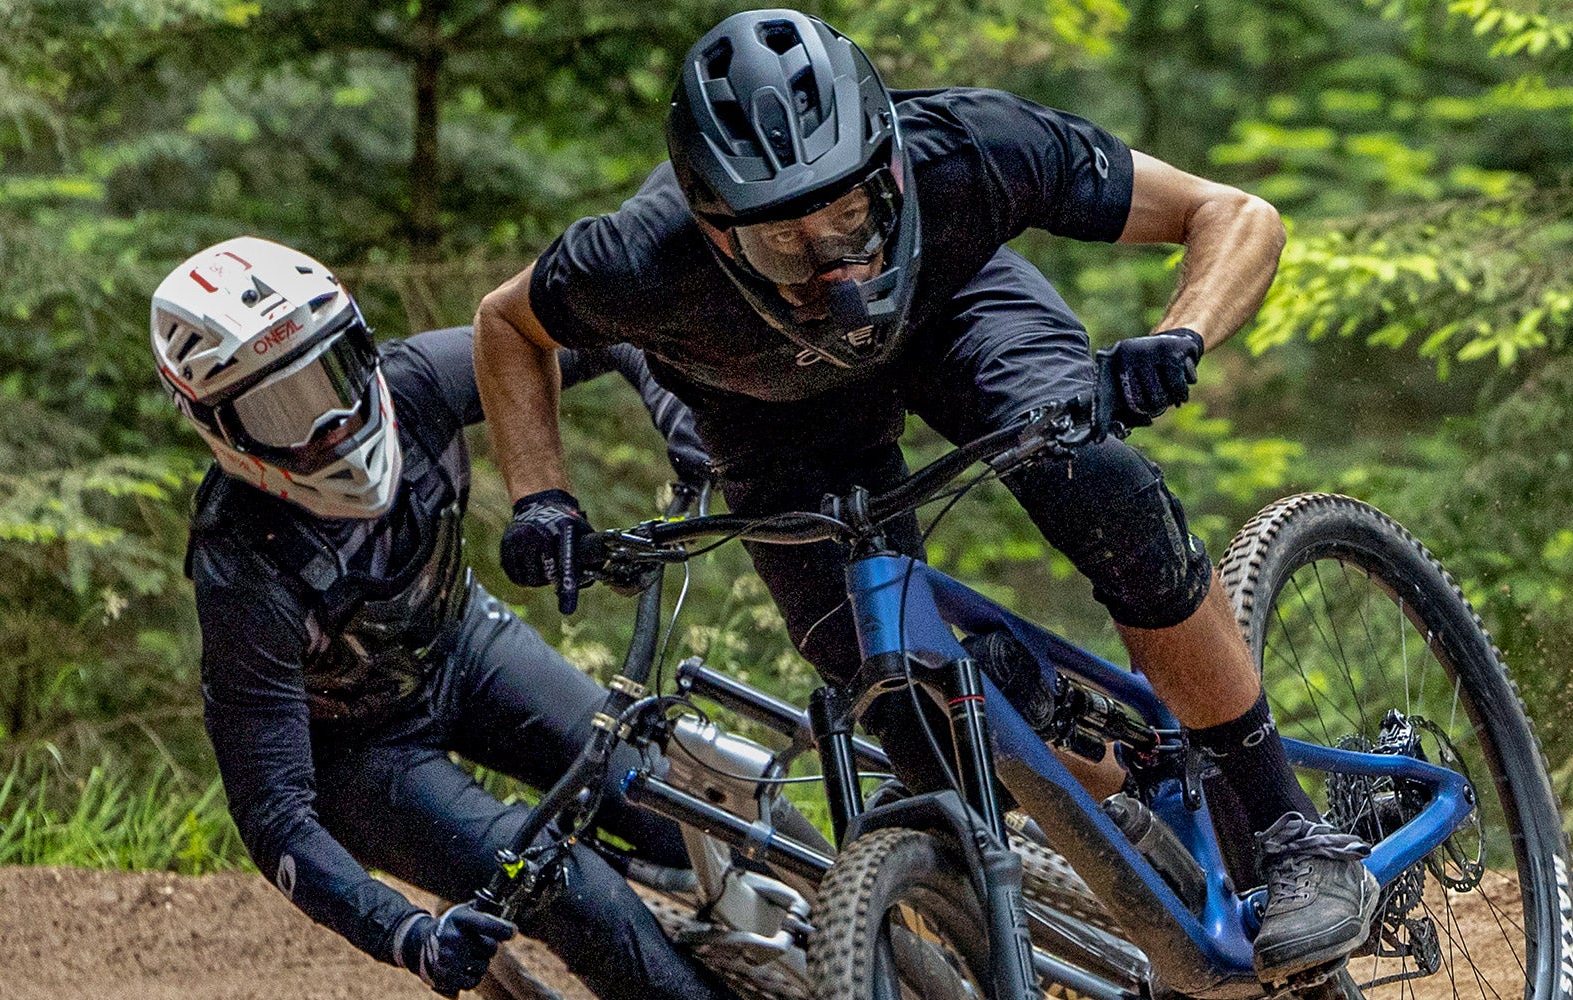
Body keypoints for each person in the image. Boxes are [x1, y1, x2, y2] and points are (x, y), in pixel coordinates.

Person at [471, 10, 1378, 977]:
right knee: (901, 707)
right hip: (770, 418)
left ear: (890, 168)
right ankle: (1109, 774)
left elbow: (1234, 214)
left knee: (1095, 485)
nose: (833, 262)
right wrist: (543, 499)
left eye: (849, 215)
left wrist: (1179, 335)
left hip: (960, 317)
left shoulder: (970, 146)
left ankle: (1291, 831)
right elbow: (506, 325)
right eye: (784, 242)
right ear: (714, 231)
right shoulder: (634, 259)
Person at [154, 236, 736, 1000]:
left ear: (362, 344)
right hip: (364, 758)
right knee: (573, 892)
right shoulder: (242, 565)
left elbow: (602, 326)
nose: (333, 423)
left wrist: (681, 412)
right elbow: (274, 814)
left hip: (466, 644)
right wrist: (407, 936)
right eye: (282, 410)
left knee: (673, 800)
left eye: (333, 373)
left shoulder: (417, 381)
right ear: (225, 432)